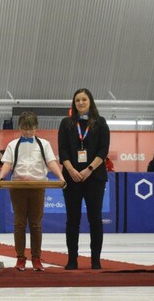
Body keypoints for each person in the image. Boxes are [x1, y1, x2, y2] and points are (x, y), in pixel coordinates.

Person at [0, 112, 65, 272]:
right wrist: (1, 177)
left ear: (36, 128)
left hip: (37, 186)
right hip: (18, 187)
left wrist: (61, 177)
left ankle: (36, 258)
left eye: (30, 129)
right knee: (19, 223)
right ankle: (20, 258)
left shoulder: (44, 144)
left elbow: (51, 162)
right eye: (24, 129)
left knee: (35, 224)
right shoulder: (13, 145)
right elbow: (7, 163)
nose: (27, 132)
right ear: (20, 128)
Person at [58, 88, 110, 270]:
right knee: (73, 219)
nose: (80, 103)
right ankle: (72, 259)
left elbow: (103, 150)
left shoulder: (100, 123)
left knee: (95, 218)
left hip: (94, 177)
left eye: (84, 100)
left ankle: (96, 260)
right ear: (74, 103)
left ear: (90, 102)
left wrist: (88, 169)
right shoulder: (66, 124)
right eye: (77, 100)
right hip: (71, 178)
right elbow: (62, 150)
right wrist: (71, 169)